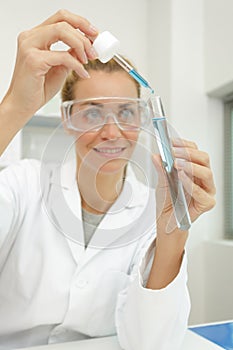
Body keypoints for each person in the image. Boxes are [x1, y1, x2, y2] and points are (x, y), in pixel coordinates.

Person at [0, 9, 216, 350]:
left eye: (126, 112)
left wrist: (172, 236)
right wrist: (14, 106)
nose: (111, 132)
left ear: (143, 117)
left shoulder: (153, 210)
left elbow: (152, 343)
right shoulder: (22, 185)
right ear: (67, 119)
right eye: (92, 112)